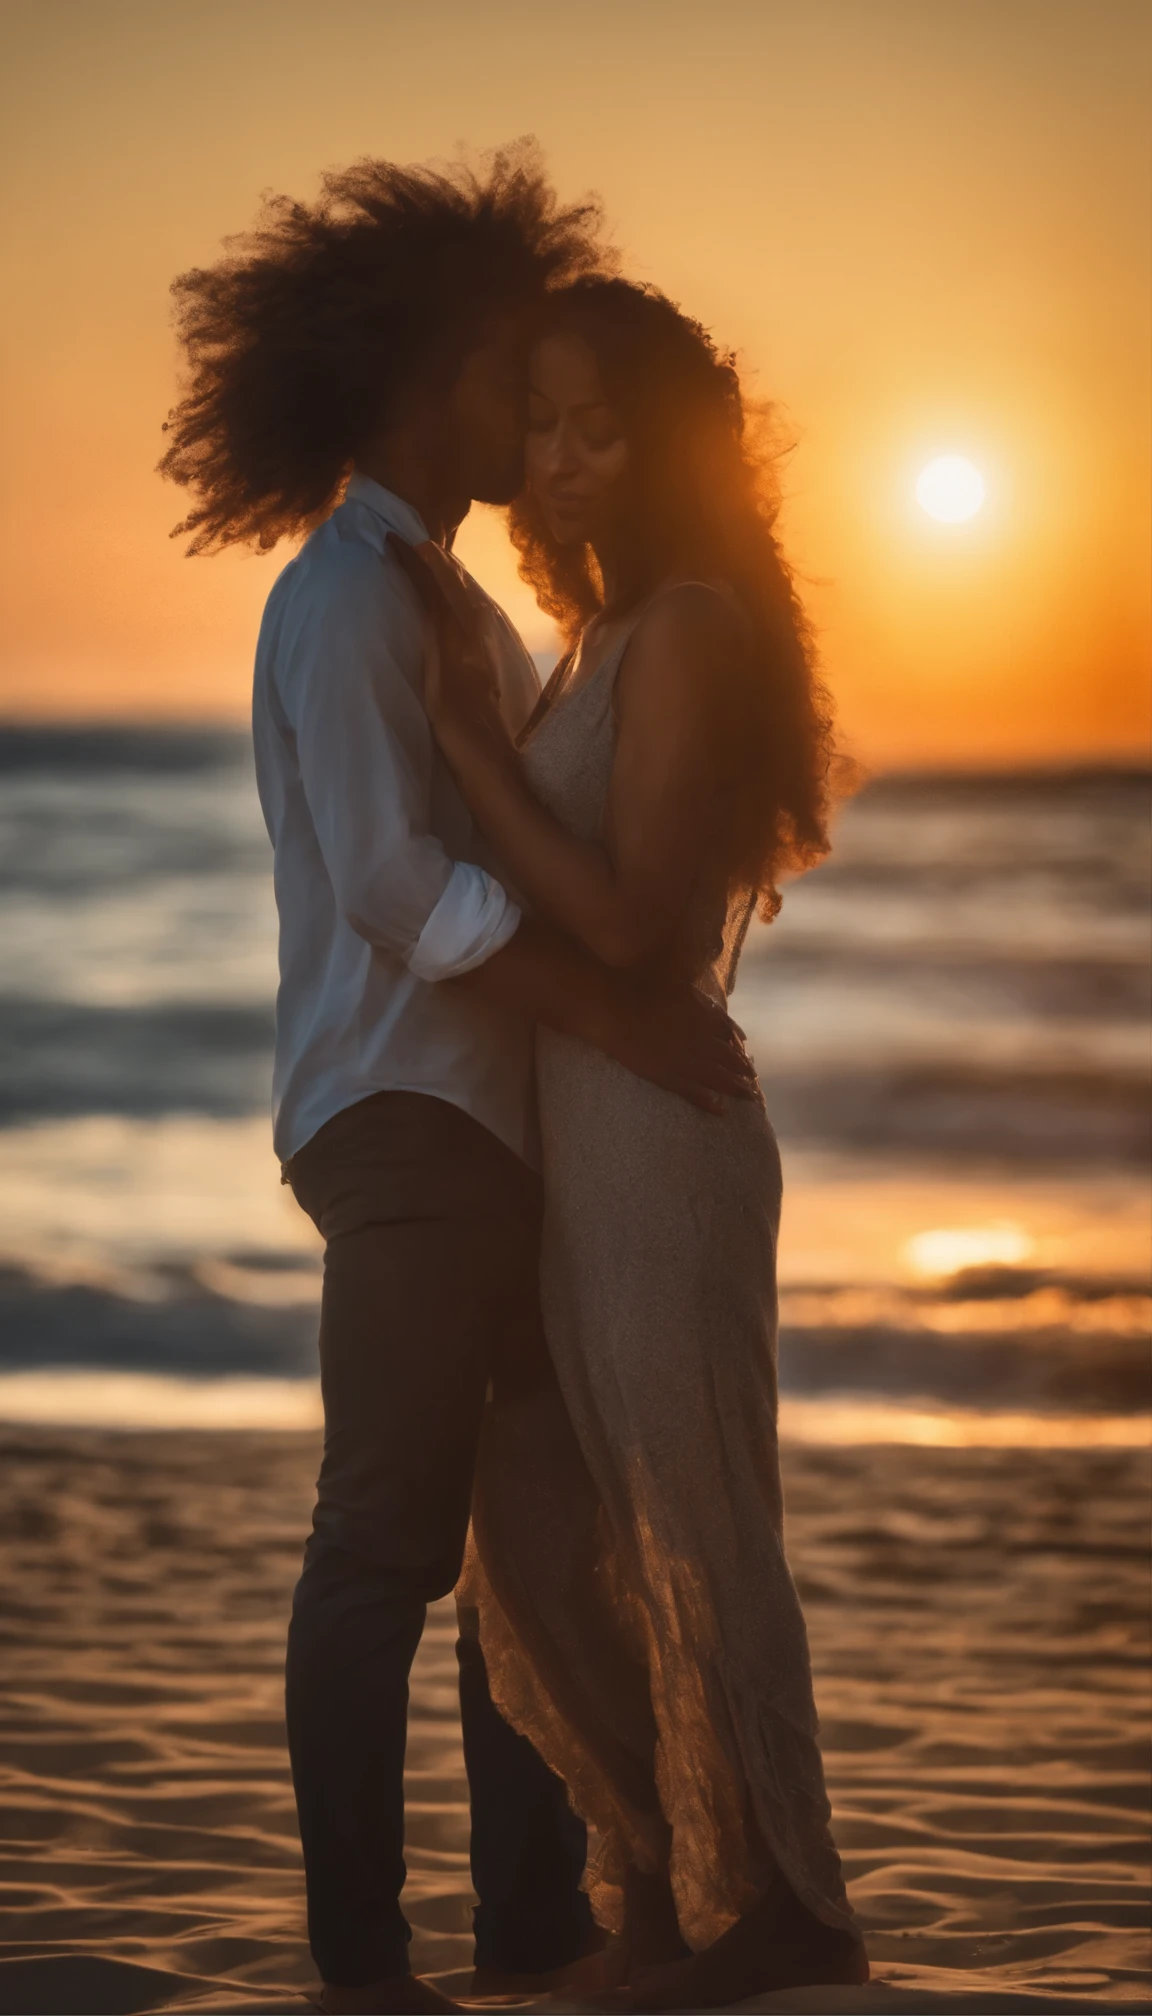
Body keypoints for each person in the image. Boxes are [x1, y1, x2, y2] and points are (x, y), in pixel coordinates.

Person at [159, 155, 757, 2016]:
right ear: (429, 369)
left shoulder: (449, 591)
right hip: (404, 1121)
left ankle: (533, 1932)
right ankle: (362, 1967)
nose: (531, 404)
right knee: (389, 1537)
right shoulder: (343, 599)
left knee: (518, 1552)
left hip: (483, 1125)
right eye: (513, 368)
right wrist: (606, 1003)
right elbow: (393, 891)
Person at [423, 276, 871, 2010]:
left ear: (673, 443)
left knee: (691, 1511)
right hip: (575, 1128)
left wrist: (468, 742)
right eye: (539, 425)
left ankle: (789, 1910)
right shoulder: (603, 639)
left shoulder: (686, 623)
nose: (560, 458)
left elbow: (622, 926)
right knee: (550, 1511)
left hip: (659, 1131)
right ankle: (673, 1882)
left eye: (598, 424)